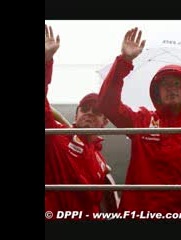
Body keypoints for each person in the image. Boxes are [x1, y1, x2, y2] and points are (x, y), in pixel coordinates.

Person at [97, 27, 181, 220]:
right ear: (156, 92)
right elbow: (107, 104)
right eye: (165, 84)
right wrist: (125, 61)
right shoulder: (143, 119)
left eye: (177, 84)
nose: (171, 89)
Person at [45, 25, 116, 220]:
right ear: (76, 116)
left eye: (96, 112)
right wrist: (46, 61)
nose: (89, 114)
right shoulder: (57, 136)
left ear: (105, 122)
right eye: (84, 109)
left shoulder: (100, 160)